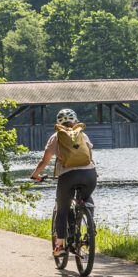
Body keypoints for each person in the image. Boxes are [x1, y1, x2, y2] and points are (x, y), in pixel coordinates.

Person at [31, 107, 97, 256]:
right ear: (75, 120)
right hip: (89, 175)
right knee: (86, 198)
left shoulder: (56, 137)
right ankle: (90, 225)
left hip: (68, 176)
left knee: (62, 209)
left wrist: (36, 174)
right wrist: (94, 173)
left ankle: (59, 246)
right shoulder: (82, 134)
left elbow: (45, 160)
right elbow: (90, 156)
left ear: (58, 122)